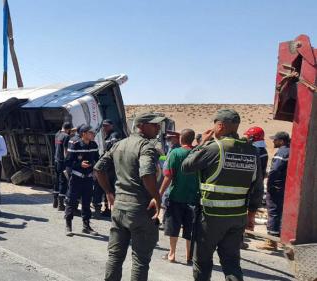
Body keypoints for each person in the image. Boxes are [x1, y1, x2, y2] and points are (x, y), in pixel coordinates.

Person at [182, 109, 264, 281]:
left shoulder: (215, 148)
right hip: (237, 217)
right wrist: (251, 214)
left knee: (202, 263)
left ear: (219, 126)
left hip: (211, 218)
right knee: (232, 263)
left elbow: (187, 166)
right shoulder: (252, 152)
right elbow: (257, 187)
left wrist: (203, 143)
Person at [94, 112, 163, 281]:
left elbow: (98, 168)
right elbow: (146, 173)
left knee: (115, 257)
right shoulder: (146, 147)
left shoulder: (119, 144)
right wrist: (157, 197)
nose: (158, 128)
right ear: (141, 126)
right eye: (154, 125)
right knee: (140, 261)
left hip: (119, 208)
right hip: (140, 209)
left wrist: (109, 193)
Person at [159, 129, 199, 264]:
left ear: (181, 138)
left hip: (176, 195)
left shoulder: (175, 153)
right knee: (190, 228)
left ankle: (172, 254)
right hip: (193, 197)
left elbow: (168, 175)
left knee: (173, 226)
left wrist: (159, 193)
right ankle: (189, 255)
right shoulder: (198, 153)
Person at [257, 131, 290, 251]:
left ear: (281, 141)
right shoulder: (290, 151)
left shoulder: (282, 152)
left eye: (275, 140)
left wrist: (270, 182)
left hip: (276, 187)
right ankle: (280, 239)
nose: (273, 142)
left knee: (273, 212)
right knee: (280, 212)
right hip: (284, 187)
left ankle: (271, 241)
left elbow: (275, 169)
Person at [64, 124, 99, 236]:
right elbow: (68, 162)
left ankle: (86, 226)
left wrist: (95, 169)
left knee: (86, 202)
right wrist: (80, 164)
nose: (93, 134)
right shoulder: (75, 144)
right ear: (84, 134)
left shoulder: (94, 144)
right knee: (71, 201)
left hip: (88, 179)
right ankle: (68, 225)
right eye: (91, 132)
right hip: (76, 178)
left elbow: (98, 159)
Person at [243, 127, 269, 237]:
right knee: (252, 210)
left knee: (244, 209)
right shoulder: (264, 151)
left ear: (253, 138)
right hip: (258, 185)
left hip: (250, 185)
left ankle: (243, 232)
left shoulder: (253, 151)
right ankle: (250, 230)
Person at [93, 119, 121, 217]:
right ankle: (104, 208)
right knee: (103, 187)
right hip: (105, 166)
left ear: (111, 126)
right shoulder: (106, 136)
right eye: (104, 126)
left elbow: (113, 149)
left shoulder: (114, 135)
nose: (105, 128)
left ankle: (108, 209)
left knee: (107, 187)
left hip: (110, 167)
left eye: (107, 126)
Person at [53, 121, 73, 211]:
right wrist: (68, 162)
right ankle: (61, 205)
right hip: (62, 162)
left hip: (56, 160)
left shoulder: (57, 134)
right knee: (63, 182)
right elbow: (66, 151)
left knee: (56, 181)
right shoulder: (66, 136)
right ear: (68, 129)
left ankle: (55, 201)